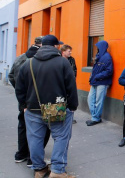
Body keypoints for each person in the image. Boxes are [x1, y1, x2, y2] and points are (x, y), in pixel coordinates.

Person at [15, 35, 78, 178]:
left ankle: (39, 169)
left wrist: (24, 105)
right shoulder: (63, 62)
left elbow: (20, 88)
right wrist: (73, 105)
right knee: (61, 137)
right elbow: (71, 86)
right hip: (57, 107)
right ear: (55, 46)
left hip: (33, 108)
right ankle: (57, 171)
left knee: (35, 139)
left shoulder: (28, 63)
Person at [9, 36, 51, 167]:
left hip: (23, 101)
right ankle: (33, 159)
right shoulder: (40, 60)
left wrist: (20, 94)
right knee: (41, 130)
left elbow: (11, 76)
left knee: (23, 126)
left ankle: (21, 154)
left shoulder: (20, 58)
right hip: (38, 102)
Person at [86, 40, 113, 126]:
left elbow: (109, 71)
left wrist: (97, 76)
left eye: (98, 47)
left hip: (102, 82)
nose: (97, 48)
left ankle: (96, 118)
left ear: (102, 47)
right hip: (95, 81)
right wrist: (92, 78)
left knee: (98, 100)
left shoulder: (107, 57)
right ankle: (95, 116)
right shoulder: (98, 56)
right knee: (90, 99)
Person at [61, 44, 78, 124]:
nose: (70, 52)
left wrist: (72, 79)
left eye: (70, 51)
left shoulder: (71, 59)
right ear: (63, 52)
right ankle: (61, 115)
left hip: (70, 83)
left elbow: (74, 70)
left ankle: (70, 117)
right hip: (61, 83)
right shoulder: (59, 59)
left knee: (71, 99)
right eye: (69, 51)